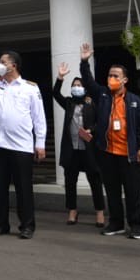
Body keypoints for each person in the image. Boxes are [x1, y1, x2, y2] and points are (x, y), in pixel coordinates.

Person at [0, 35, 47, 239]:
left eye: (3, 62)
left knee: (24, 189)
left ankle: (27, 226)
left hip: (21, 146)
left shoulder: (30, 88)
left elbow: (39, 118)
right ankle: (0, 224)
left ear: (13, 65)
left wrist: (40, 143)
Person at [77, 44, 140, 238]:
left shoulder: (134, 100)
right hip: (107, 153)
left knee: (133, 192)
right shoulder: (102, 95)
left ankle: (136, 226)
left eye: (116, 76)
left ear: (125, 80)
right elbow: (88, 81)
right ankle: (116, 223)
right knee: (112, 190)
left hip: (128, 154)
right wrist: (84, 62)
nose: (112, 78)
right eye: (110, 75)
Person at [52, 64, 106, 227]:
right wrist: (60, 78)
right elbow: (55, 93)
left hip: (89, 149)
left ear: (85, 88)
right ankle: (72, 210)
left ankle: (100, 212)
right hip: (72, 149)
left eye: (79, 85)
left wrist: (92, 130)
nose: (76, 87)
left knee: (94, 181)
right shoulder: (69, 103)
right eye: (74, 85)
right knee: (70, 181)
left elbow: (100, 122)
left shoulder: (92, 103)